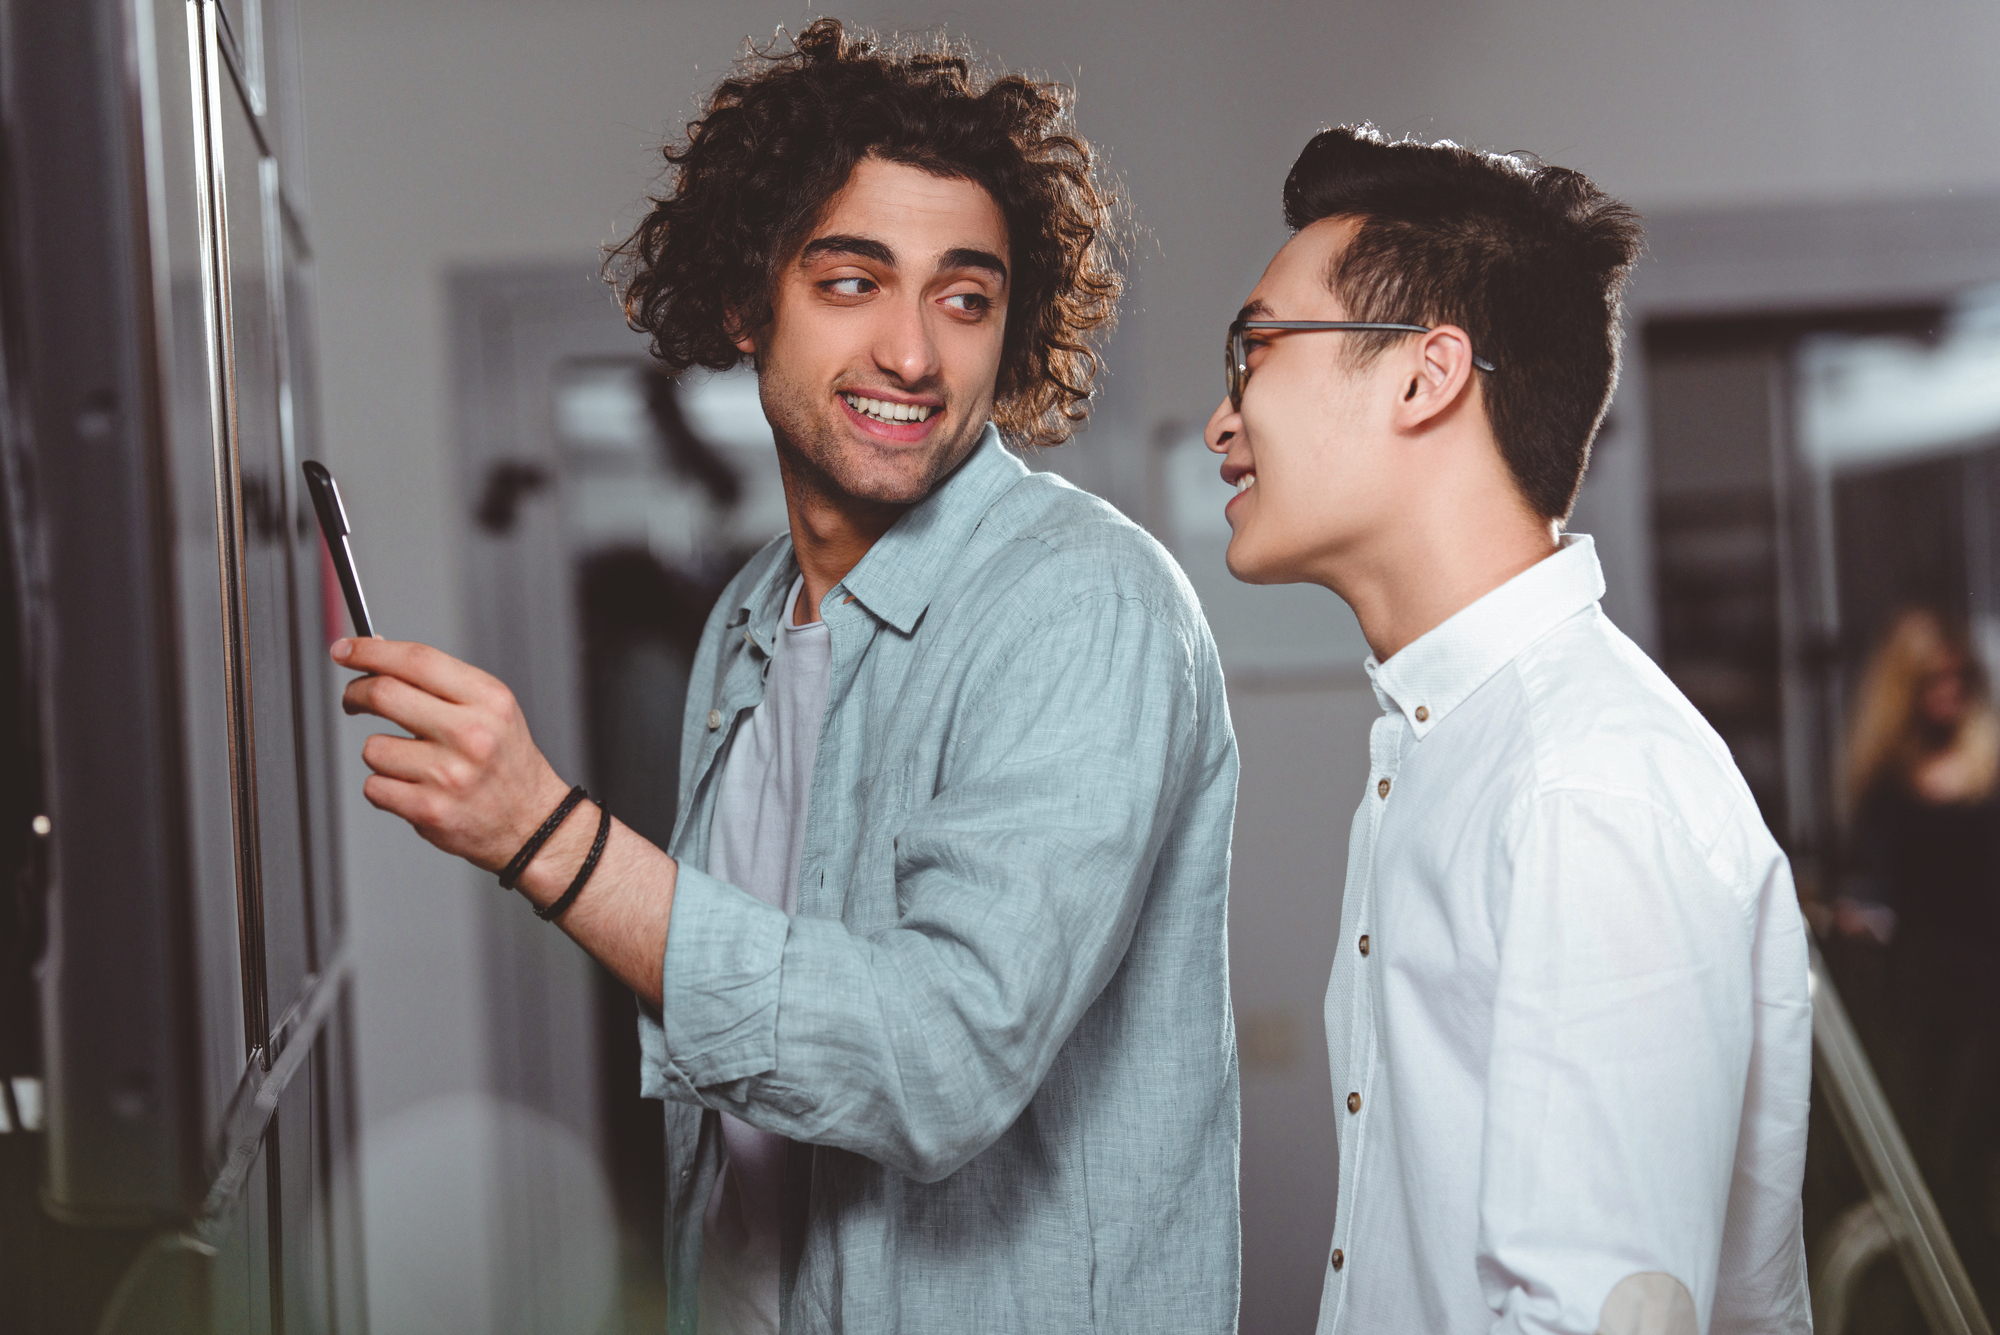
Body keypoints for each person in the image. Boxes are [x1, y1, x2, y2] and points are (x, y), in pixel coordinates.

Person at [334, 20, 1240, 1335]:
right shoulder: (752, 615)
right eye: (853, 282)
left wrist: (548, 835)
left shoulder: (1083, 602)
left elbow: (939, 1059)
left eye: (966, 296)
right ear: (747, 304)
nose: (915, 353)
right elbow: (753, 1045)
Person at [1203, 124, 1811, 1335]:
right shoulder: (1448, 749)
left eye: (1255, 354)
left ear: (1426, 376)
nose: (1222, 424)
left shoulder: (1578, 786)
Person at [1841, 608, 2000, 1304]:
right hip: (1913, 996)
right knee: (1914, 1156)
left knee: (1965, 1159)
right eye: (1932, 677)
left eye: (1957, 676)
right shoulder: (1885, 784)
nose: (1947, 689)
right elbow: (1882, 890)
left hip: (1984, 993)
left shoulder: (1990, 774)